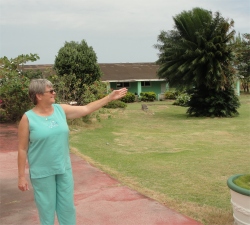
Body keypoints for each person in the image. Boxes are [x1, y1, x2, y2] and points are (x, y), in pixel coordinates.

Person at [18, 79, 127, 225]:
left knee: (67, 208)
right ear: (38, 95)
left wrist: (109, 98)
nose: (54, 93)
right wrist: (21, 177)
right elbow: (22, 148)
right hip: (42, 172)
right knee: (47, 210)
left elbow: (86, 109)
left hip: (63, 168)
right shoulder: (28, 118)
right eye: (50, 91)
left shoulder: (60, 110)